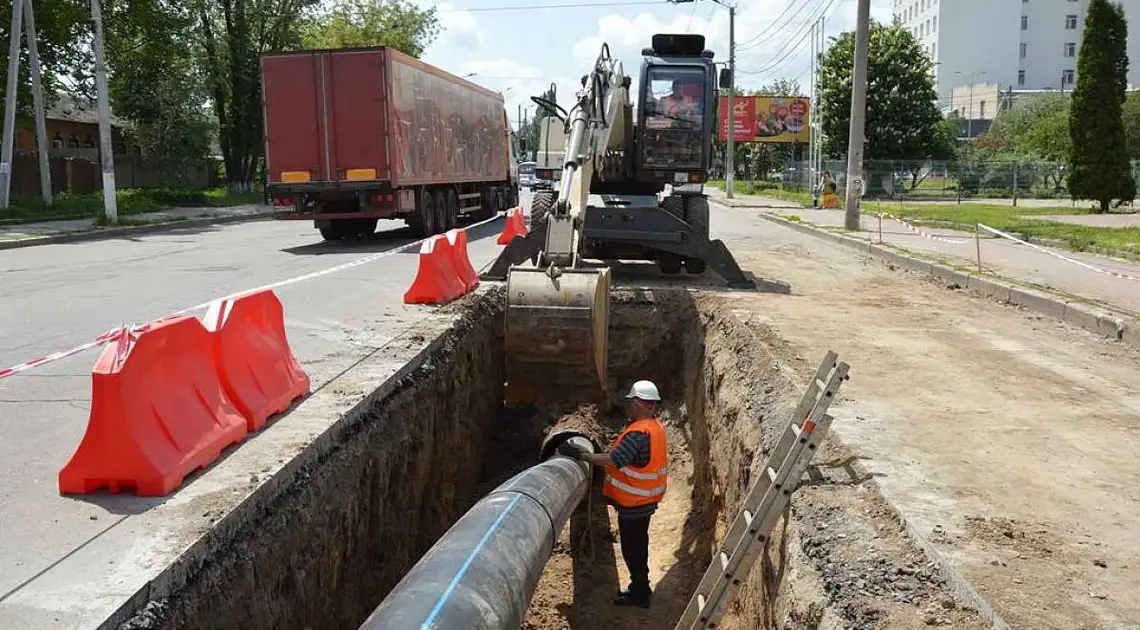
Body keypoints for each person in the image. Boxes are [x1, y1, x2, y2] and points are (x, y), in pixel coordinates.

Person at [558, 380, 669, 608]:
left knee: (632, 549)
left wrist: (582, 456)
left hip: (634, 504)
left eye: (630, 403)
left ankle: (640, 594)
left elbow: (614, 460)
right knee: (639, 545)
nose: (628, 407)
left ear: (639, 404)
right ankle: (640, 587)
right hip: (645, 500)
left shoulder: (639, 434)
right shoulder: (655, 427)